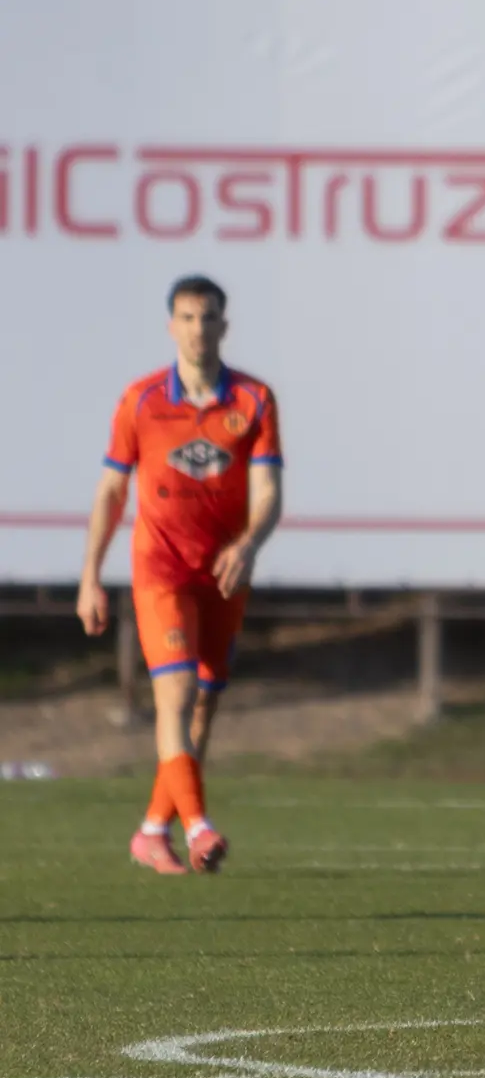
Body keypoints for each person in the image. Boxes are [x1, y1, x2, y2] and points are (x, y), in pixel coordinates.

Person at [78, 275, 282, 875]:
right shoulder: (141, 400)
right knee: (176, 692)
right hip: (160, 567)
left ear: (225, 325)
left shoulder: (254, 401)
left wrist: (249, 543)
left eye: (209, 317)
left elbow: (269, 490)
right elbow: (113, 489)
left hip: (223, 573)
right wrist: (90, 575)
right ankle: (198, 828)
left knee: (203, 709)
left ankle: (151, 830)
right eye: (188, 318)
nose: (198, 328)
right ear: (172, 326)